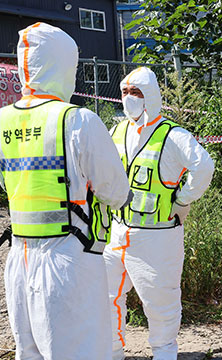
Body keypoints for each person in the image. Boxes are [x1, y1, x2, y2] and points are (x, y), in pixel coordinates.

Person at [0, 23, 131, 359]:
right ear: (63, 67)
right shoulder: (77, 120)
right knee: (80, 351)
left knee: (29, 353)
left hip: (19, 260)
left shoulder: (3, 121)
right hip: (70, 260)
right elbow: (115, 192)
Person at [103, 67, 215, 360]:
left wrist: (183, 200)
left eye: (136, 93)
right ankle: (113, 352)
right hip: (117, 231)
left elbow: (203, 166)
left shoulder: (173, 135)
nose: (129, 99)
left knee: (160, 303)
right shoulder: (116, 130)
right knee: (106, 296)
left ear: (150, 96)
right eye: (125, 93)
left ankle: (165, 353)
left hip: (157, 238)